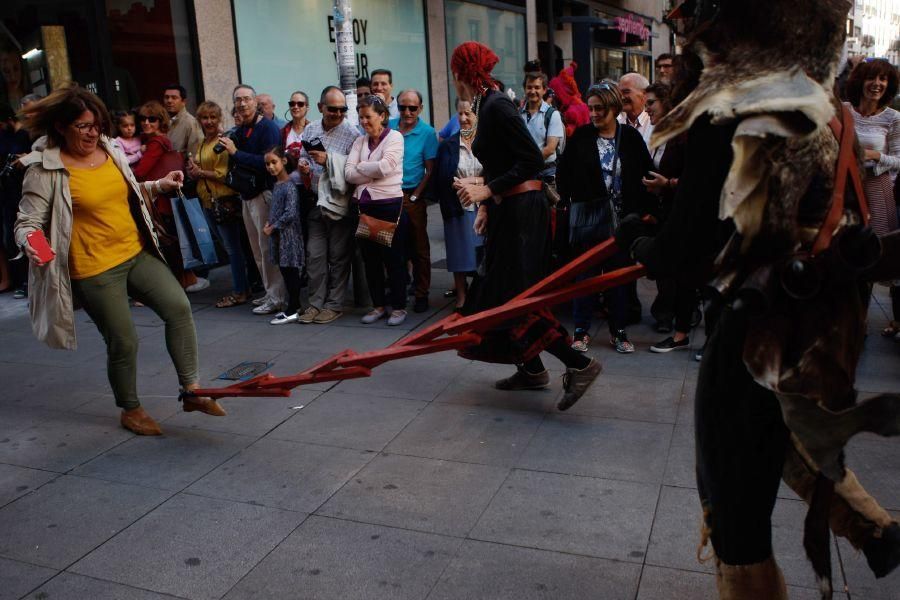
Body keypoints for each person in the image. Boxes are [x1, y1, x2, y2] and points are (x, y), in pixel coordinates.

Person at [616, 2, 900, 595]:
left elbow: (687, 254)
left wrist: (639, 242)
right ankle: (875, 530)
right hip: (821, 319)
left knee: (734, 503)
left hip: (757, 323)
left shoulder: (729, 105)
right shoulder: (818, 102)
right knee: (781, 428)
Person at [15, 83, 225, 436]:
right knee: (124, 340)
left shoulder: (109, 150)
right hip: (94, 268)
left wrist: (158, 185)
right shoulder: (45, 169)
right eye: (83, 126)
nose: (93, 132)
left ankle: (192, 392)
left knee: (179, 308)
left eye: (97, 124)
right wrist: (34, 243)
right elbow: (28, 221)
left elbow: (126, 191)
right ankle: (130, 408)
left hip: (134, 252)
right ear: (62, 127)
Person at [449, 41, 601, 412]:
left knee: (515, 299)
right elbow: (502, 161)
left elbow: (531, 159)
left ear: (462, 73)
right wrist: (487, 202)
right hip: (509, 209)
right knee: (503, 294)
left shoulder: (497, 104)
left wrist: (487, 189)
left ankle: (580, 365)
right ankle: (532, 369)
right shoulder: (489, 103)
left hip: (523, 212)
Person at [556, 82, 652, 354]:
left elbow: (645, 174)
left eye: (600, 108)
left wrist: (641, 212)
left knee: (618, 279)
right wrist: (574, 200)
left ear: (613, 107)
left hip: (622, 224)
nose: (594, 114)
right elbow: (563, 175)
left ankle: (618, 331)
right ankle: (581, 331)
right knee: (585, 276)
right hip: (589, 220)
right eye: (591, 108)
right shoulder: (582, 137)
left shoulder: (631, 139)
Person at [215, 84, 287, 315]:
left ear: (256, 102)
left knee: (267, 249)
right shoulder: (239, 130)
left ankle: (277, 298)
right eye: (238, 100)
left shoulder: (267, 128)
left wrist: (236, 152)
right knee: (257, 249)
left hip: (264, 195)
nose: (243, 104)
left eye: (247, 99)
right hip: (246, 196)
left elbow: (269, 165)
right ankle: (269, 292)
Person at [845, 59, 900, 338]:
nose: (877, 84)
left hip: (878, 190)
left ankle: (893, 320)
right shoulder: (843, 112)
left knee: (879, 257)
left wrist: (876, 156)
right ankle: (854, 319)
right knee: (846, 254)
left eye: (883, 79)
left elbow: (899, 160)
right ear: (860, 81)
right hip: (846, 189)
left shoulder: (893, 118)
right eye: (871, 78)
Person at [295, 86, 359, 324]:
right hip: (314, 200)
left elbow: (354, 170)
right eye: (333, 109)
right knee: (315, 256)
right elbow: (304, 155)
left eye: (342, 109)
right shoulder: (310, 128)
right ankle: (315, 303)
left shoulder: (352, 133)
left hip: (338, 203)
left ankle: (334, 304)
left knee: (339, 256)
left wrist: (329, 160)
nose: (338, 113)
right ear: (321, 107)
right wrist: (303, 165)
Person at [640, 82, 695, 351]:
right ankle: (680, 330)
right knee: (679, 274)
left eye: (651, 103)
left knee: (688, 274)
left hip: (687, 214)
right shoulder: (664, 132)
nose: (646, 108)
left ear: (667, 102)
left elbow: (698, 178)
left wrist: (668, 184)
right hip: (668, 212)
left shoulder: (684, 134)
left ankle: (683, 332)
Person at [346, 95, 409, 326]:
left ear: (382, 116)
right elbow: (348, 173)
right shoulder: (359, 142)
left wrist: (362, 168)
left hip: (388, 207)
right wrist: (369, 170)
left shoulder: (394, 138)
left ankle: (399, 307)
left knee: (392, 259)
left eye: (368, 117)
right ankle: (378, 305)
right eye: (361, 117)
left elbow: (386, 167)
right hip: (364, 207)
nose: (364, 122)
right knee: (370, 259)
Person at [186, 101, 250, 308]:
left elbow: (223, 175)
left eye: (213, 117)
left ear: (219, 118)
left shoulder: (222, 142)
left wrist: (200, 173)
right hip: (207, 201)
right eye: (205, 118)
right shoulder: (204, 142)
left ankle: (241, 291)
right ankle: (244, 286)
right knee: (229, 247)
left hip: (223, 201)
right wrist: (193, 171)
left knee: (233, 249)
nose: (209, 121)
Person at [388, 89, 438, 312]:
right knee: (391, 247)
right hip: (388, 195)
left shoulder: (427, 133)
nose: (407, 112)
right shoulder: (388, 126)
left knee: (419, 247)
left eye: (412, 108)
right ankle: (397, 289)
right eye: (402, 107)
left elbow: (430, 170)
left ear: (421, 108)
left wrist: (417, 195)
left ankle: (421, 293)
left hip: (411, 195)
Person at [432, 98, 484, 310]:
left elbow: (495, 174)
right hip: (458, 205)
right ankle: (461, 297)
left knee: (484, 255)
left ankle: (482, 295)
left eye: (468, 114)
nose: (463, 118)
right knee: (459, 254)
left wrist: (474, 181)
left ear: (477, 116)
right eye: (459, 114)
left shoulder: (488, 142)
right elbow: (442, 177)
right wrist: (457, 185)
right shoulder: (448, 145)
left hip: (485, 206)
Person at [263, 146, 305, 324]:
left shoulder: (289, 186)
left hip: (288, 237)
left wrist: (273, 227)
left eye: (274, 162)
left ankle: (294, 308)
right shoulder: (277, 184)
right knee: (285, 272)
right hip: (279, 236)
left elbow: (291, 213)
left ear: (284, 161)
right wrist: (269, 223)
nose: (271, 167)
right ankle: (291, 307)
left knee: (291, 272)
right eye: (267, 164)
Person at [520, 71, 565, 180]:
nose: (532, 91)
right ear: (524, 89)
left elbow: (550, 149)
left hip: (546, 174)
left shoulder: (552, 115)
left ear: (544, 90)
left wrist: (527, 163)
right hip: (524, 174)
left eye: (537, 87)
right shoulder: (518, 114)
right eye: (529, 87)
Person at [131, 101, 173, 181]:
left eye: (152, 119)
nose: (146, 123)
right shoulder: (146, 137)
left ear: (161, 121)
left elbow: (139, 173)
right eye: (143, 119)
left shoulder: (156, 143)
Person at [162, 84, 202, 154]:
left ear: (184, 102)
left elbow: (195, 154)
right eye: (166, 97)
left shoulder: (190, 123)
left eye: (174, 98)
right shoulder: (161, 120)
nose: (169, 101)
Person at [617, 72, 653, 147]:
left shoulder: (655, 123)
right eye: (619, 93)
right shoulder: (616, 122)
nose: (621, 97)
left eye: (626, 92)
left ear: (644, 94)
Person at [281, 90, 309, 157]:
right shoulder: (282, 132)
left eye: (300, 104)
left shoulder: (314, 131)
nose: (295, 107)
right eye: (292, 104)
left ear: (307, 108)